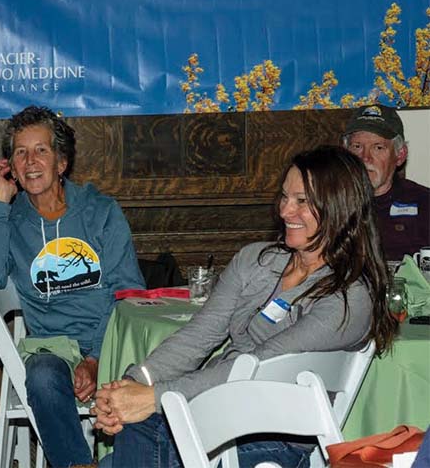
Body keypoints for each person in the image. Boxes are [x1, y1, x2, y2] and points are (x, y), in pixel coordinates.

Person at [93, 145, 398, 468]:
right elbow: (200, 335)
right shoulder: (256, 260)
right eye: (284, 197)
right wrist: (134, 384)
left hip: (272, 441)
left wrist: (154, 399)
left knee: (137, 435)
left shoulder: (350, 298)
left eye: (302, 202)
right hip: (214, 413)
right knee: (134, 431)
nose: (284, 211)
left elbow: (258, 367)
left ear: (340, 207)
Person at [0, 105, 145, 468]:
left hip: (111, 340)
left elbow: (127, 292)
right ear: (11, 167)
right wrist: (0, 200)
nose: (30, 161)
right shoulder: (12, 222)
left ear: (61, 162)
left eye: (41, 150)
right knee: (43, 377)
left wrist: (96, 357)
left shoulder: (101, 212)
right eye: (20, 152)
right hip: (54, 350)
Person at [342, 104, 430, 261]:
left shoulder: (424, 204)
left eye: (378, 147)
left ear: (400, 155)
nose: (365, 158)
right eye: (357, 146)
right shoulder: (325, 202)